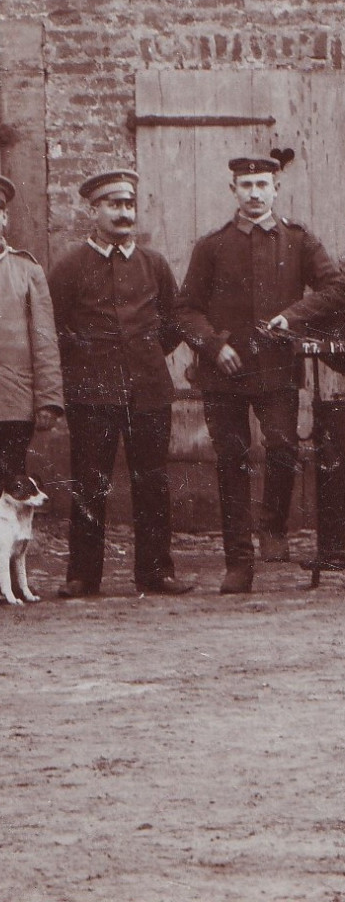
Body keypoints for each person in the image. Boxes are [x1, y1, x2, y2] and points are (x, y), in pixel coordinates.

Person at [175, 155, 345, 594]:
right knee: (231, 461)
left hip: (276, 369)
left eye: (262, 184)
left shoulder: (298, 240)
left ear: (276, 188)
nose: (254, 193)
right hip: (223, 374)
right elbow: (184, 310)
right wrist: (214, 346)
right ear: (233, 190)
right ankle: (239, 562)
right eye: (245, 185)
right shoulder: (212, 245)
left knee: (282, 448)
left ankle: (273, 527)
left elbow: (337, 290)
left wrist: (291, 317)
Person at [48, 169, 192, 597]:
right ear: (93, 211)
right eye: (114, 205)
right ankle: (82, 575)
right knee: (90, 482)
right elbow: (53, 328)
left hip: (147, 390)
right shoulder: (70, 266)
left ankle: (155, 573)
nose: (124, 213)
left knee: (152, 481)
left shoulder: (154, 264)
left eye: (129, 205)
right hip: (91, 392)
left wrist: (142, 356)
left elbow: (174, 322)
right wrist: (88, 360)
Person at [0, 175, 63, 482]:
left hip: (12, 402)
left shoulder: (26, 271)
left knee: (11, 483)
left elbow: (45, 340)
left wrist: (48, 398)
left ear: (4, 218)